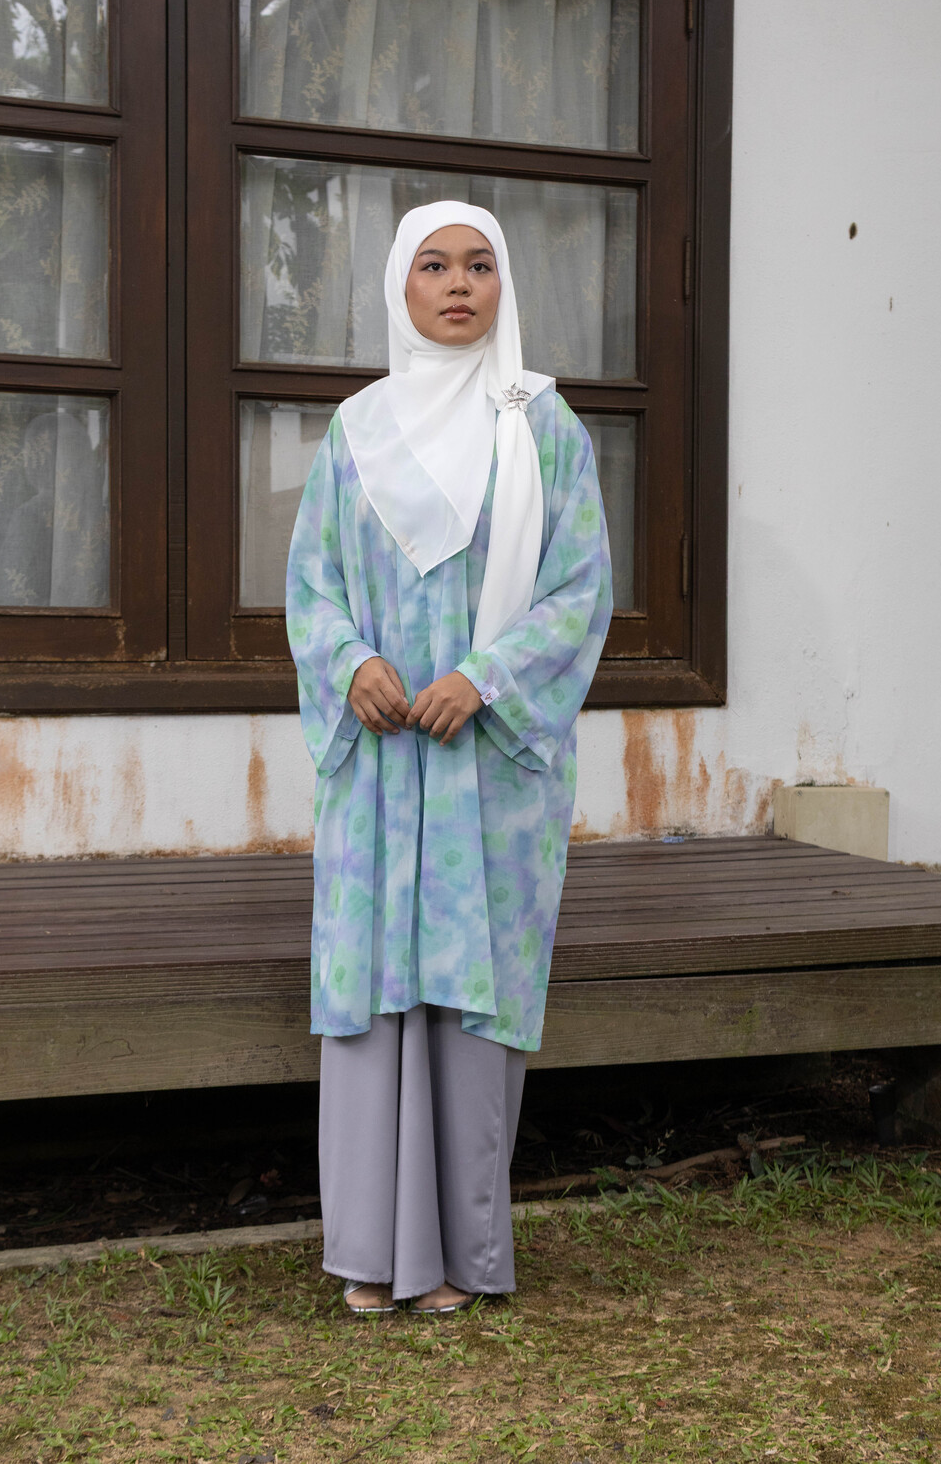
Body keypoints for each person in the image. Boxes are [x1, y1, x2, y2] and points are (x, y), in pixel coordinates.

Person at [286, 200, 613, 1315]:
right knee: (375, 986)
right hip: (381, 761)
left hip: (488, 770)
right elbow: (311, 586)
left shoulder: (541, 426)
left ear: (503, 285)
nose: (459, 284)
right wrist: (350, 664)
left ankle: (460, 1255)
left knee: (472, 991)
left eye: (479, 265)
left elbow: (579, 589)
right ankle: (371, 1253)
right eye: (433, 266)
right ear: (401, 287)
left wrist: (486, 679)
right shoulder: (355, 431)